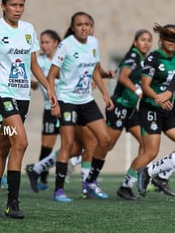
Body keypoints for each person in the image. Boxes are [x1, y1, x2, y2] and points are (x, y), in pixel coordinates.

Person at [0, 0, 56, 218]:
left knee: (4, 148)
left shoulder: (29, 30)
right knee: (22, 141)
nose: (18, 9)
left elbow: (34, 65)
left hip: (22, 97)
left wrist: (49, 88)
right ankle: (13, 203)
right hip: (1, 95)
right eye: (13, 5)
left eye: (21, 5)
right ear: (3, 6)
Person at [48, 11, 113, 202]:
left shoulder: (94, 43)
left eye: (87, 24)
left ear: (91, 26)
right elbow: (51, 75)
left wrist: (104, 94)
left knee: (105, 140)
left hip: (86, 101)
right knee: (68, 145)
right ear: (73, 27)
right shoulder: (66, 45)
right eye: (79, 25)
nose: (83, 27)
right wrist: (54, 101)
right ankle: (58, 190)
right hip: (67, 101)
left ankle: (90, 183)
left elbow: (95, 70)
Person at [101, 29, 153, 200]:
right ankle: (79, 161)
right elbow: (123, 78)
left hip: (131, 110)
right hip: (119, 106)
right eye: (142, 39)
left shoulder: (144, 59)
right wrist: (138, 90)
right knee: (107, 145)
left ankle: (128, 184)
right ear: (135, 42)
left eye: (149, 40)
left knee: (146, 145)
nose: (146, 43)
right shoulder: (133, 56)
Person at [134, 23, 175, 197]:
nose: (172, 41)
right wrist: (160, 98)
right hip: (151, 108)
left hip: (168, 108)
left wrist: (168, 93)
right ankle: (127, 185)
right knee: (150, 151)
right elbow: (145, 86)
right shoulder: (154, 58)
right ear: (161, 40)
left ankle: (159, 175)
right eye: (168, 37)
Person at [25, 29, 61, 192]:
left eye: (47, 42)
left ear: (56, 43)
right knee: (47, 146)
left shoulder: (62, 59)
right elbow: (33, 80)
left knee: (72, 144)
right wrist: (33, 84)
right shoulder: (38, 61)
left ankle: (41, 172)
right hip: (50, 109)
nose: (43, 45)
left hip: (67, 106)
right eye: (42, 42)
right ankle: (41, 177)